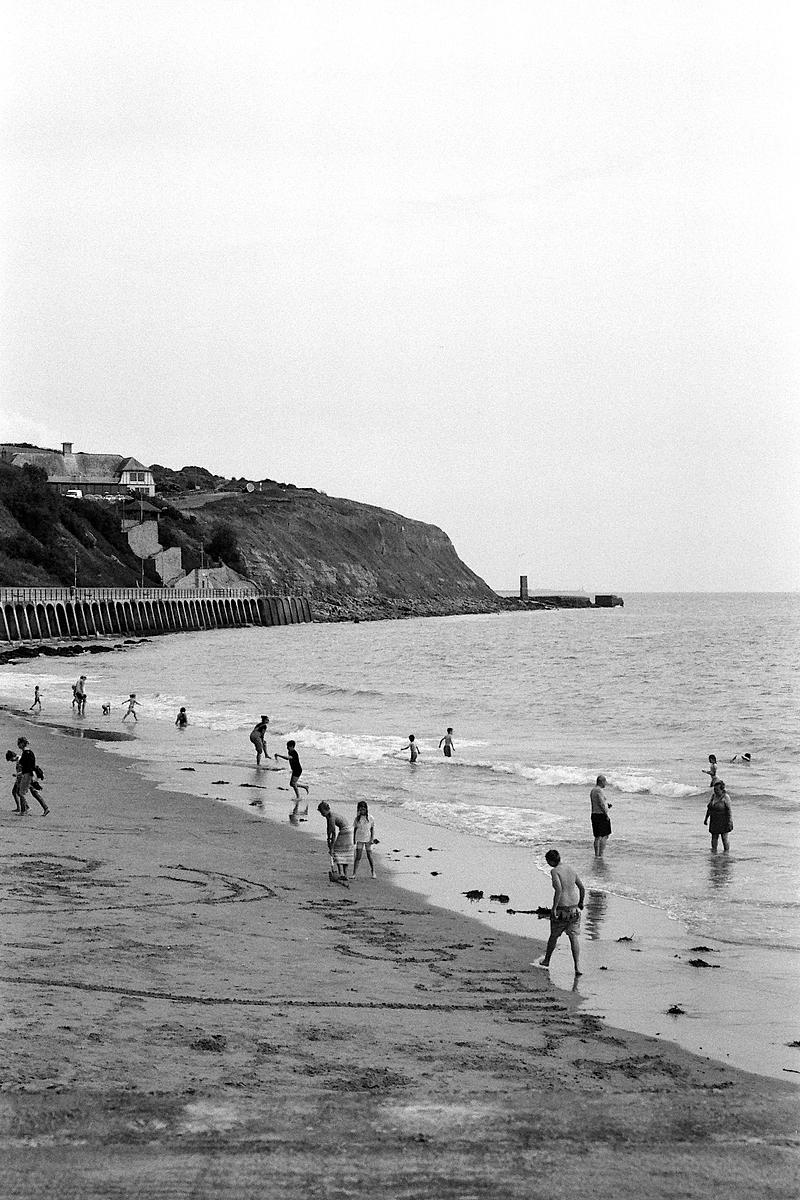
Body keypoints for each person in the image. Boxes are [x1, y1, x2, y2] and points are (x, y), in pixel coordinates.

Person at [536, 849, 585, 975]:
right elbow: (582, 888)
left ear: (551, 861)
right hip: (574, 909)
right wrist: (581, 902)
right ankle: (577, 966)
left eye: (547, 861)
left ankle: (547, 960)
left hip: (562, 910)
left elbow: (559, 890)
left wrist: (554, 908)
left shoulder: (555, 871)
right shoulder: (571, 869)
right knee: (573, 937)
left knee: (554, 936)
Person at [318, 801, 353, 886]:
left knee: (337, 851)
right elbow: (328, 829)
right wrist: (328, 839)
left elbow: (333, 833)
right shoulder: (329, 816)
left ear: (326, 810)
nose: (322, 814)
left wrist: (332, 847)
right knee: (345, 852)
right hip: (349, 830)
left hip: (345, 831)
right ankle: (344, 873)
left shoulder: (331, 817)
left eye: (322, 812)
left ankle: (341, 873)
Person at [275, 740, 309, 819]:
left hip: (297, 770)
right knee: (292, 784)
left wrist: (279, 755)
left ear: (292, 746)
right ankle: (305, 787)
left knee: (293, 783)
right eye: (287, 746)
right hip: (295, 769)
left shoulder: (294, 752)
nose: (287, 748)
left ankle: (298, 797)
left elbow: (288, 758)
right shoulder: (290, 751)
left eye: (288, 746)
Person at [14, 737, 48, 816]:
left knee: (21, 793)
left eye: (19, 743)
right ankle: (45, 808)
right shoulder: (29, 752)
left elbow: (26, 766)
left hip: (28, 775)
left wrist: (21, 774)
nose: (18, 745)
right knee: (33, 792)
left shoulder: (26, 753)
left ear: (22, 744)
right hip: (30, 774)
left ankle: (24, 810)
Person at [704, 780, 733, 853]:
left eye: (717, 789)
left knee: (724, 838)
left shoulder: (726, 797)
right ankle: (714, 852)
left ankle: (726, 853)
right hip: (714, 819)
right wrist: (706, 819)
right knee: (714, 837)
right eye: (714, 789)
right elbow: (709, 808)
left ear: (722, 789)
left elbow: (729, 810)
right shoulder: (713, 796)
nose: (715, 791)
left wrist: (729, 821)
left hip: (723, 819)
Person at [352, 800, 377, 879]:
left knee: (369, 855)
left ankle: (373, 871)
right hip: (359, 838)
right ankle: (354, 873)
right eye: (360, 809)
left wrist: (372, 839)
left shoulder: (370, 818)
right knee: (358, 856)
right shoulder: (357, 819)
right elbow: (355, 829)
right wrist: (353, 839)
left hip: (368, 838)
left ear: (366, 809)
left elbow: (372, 829)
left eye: (363, 809)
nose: (362, 811)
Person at [590, 774, 612, 857]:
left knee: (597, 836)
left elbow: (598, 803)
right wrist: (606, 814)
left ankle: (597, 854)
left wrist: (607, 806)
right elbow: (601, 804)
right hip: (600, 815)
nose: (606, 783)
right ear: (601, 782)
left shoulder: (593, 790)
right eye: (605, 781)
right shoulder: (599, 790)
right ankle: (601, 854)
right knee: (604, 835)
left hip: (594, 814)